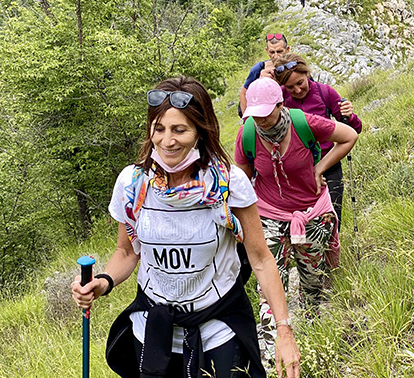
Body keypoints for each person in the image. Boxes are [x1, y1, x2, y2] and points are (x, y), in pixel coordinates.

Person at [71, 77, 300, 378]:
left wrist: (284, 332)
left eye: (180, 130)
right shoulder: (132, 184)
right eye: (159, 129)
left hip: (218, 327)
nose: (167, 141)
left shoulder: (228, 183)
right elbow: (126, 252)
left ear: (200, 132)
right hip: (154, 329)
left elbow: (260, 258)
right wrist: (102, 282)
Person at [234, 78, 357, 365]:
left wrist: (320, 167)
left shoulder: (304, 123)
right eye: (256, 114)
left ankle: (315, 339)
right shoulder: (248, 133)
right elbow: (240, 177)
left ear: (280, 105)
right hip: (269, 216)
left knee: (313, 282)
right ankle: (271, 355)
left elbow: (349, 135)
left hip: (312, 213)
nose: (262, 119)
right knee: (268, 287)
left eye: (267, 112)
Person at [272, 54, 362, 230]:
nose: (297, 90)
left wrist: (349, 115)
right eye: (290, 87)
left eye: (300, 83)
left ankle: (332, 255)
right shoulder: (280, 99)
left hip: (330, 163)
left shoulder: (325, 92)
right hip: (297, 170)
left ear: (307, 74)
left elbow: (355, 129)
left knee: (333, 218)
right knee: (305, 221)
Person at [238, 33, 290, 117]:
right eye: (272, 52)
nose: (276, 56)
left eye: (279, 51)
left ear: (287, 49)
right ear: (267, 51)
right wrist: (247, 121)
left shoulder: (295, 66)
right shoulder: (258, 69)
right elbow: (243, 94)